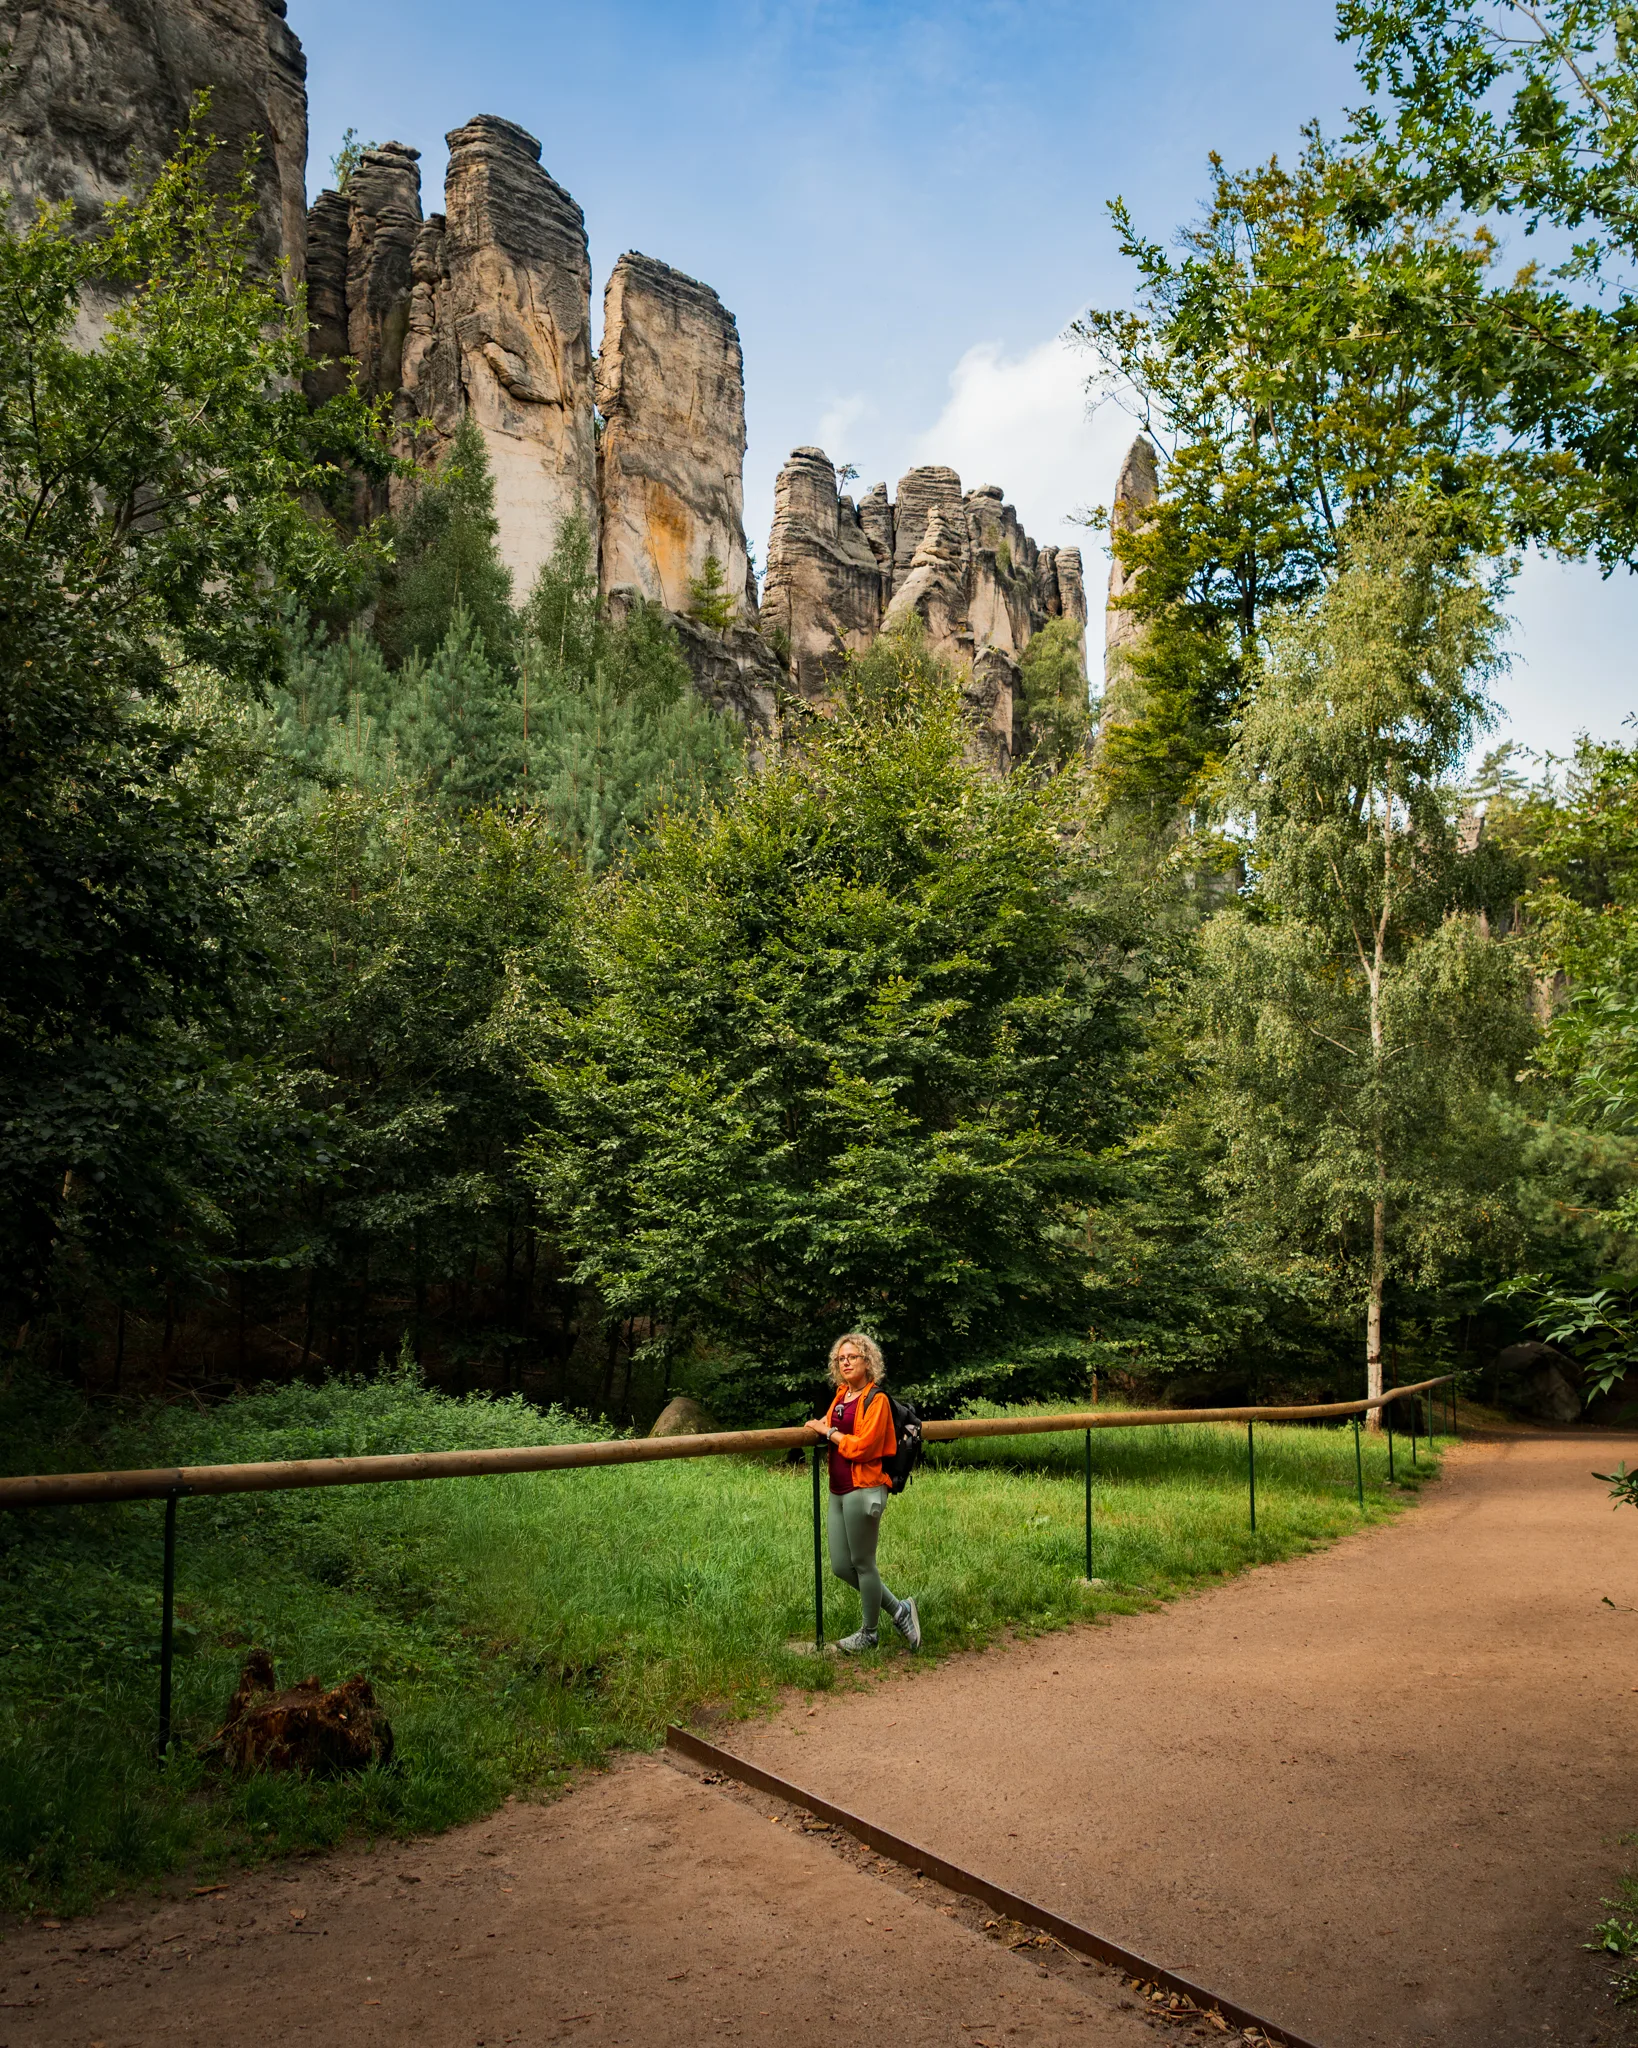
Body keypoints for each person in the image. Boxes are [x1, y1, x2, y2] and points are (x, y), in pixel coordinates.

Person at [805, 1332, 921, 1653]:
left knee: (864, 1562)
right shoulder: (842, 1395)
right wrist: (822, 1426)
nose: (845, 1362)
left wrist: (828, 1432)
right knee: (841, 1566)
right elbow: (828, 1423)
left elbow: (865, 1447)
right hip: (838, 1489)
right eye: (841, 1358)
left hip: (864, 1487)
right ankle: (900, 1610)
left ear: (867, 1361)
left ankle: (869, 1633)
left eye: (852, 1357)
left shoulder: (877, 1400)